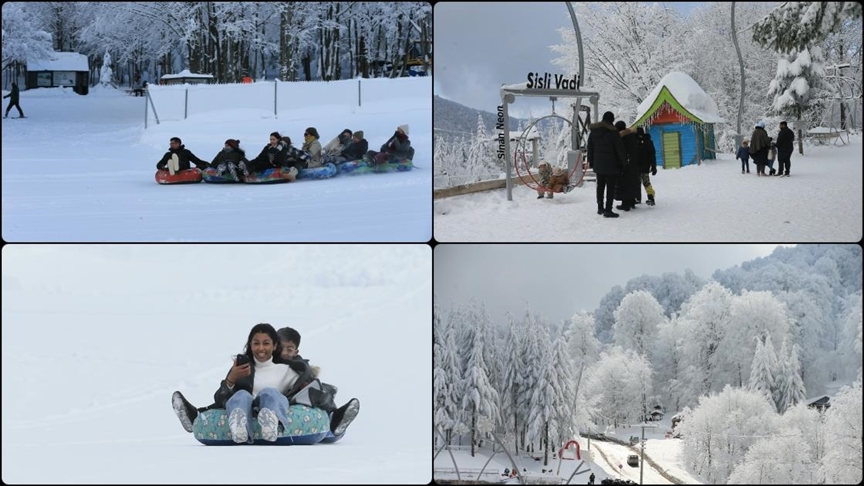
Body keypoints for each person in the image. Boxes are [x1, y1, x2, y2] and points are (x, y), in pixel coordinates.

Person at [171, 326, 358, 438]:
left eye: (290, 349)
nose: (285, 353)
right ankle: (195, 417)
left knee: (311, 392)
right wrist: (231, 378)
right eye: (282, 348)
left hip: (280, 403)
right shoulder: (247, 366)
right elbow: (223, 398)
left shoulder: (296, 369)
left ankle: (334, 420)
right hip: (246, 404)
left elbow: (315, 392)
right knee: (238, 397)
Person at [587, 111, 627, 218]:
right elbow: (620, 149)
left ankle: (600, 208)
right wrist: (624, 163)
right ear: (612, 120)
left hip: (598, 164)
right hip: (611, 165)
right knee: (610, 188)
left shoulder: (594, 132)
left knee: (600, 186)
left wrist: (591, 161)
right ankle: (608, 209)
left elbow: (589, 148)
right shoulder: (613, 132)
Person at [614, 121, 640, 212]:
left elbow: (621, 152)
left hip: (625, 165)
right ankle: (632, 201)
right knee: (632, 183)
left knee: (624, 184)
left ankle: (625, 204)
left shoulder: (621, 138)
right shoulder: (633, 136)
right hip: (634, 164)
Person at [635, 128, 657, 206]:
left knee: (638, 182)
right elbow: (652, 155)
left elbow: (652, 155)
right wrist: (653, 166)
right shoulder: (648, 141)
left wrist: (654, 166)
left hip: (637, 166)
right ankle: (650, 197)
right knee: (646, 182)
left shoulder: (635, 141)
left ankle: (638, 198)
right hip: (644, 166)